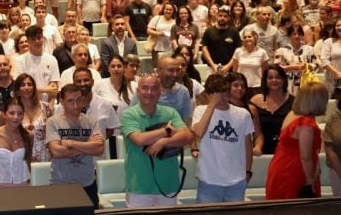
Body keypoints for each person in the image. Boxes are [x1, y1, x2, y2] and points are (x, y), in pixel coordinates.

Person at [121, 74, 195, 207]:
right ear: (138, 92)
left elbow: (188, 136)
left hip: (168, 185)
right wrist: (167, 131)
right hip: (139, 187)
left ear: (160, 92)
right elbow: (139, 139)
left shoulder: (170, 113)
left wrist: (163, 142)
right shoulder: (129, 114)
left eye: (154, 88)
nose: (149, 92)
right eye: (145, 88)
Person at [191, 75, 254, 203]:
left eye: (225, 95)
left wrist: (247, 172)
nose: (223, 99)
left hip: (236, 181)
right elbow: (199, 132)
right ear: (209, 95)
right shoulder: (200, 110)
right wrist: (212, 104)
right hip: (209, 180)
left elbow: (248, 145)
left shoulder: (243, 114)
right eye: (218, 96)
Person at [46, 84, 106, 207]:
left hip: (88, 184)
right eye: (70, 101)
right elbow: (56, 152)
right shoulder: (53, 122)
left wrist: (71, 144)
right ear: (62, 102)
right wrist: (88, 145)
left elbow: (99, 149)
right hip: (61, 184)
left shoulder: (91, 121)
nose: (75, 105)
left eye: (79, 100)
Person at [266, 81, 326, 200]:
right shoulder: (306, 123)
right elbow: (305, 157)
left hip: (280, 166)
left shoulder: (292, 114)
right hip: (294, 171)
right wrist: (310, 181)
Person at [250, 65, 293, 156]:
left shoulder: (294, 102)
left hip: (286, 151)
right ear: (265, 81)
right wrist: (257, 147)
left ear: (284, 80)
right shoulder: (254, 101)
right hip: (259, 151)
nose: (274, 80)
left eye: (278, 77)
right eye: (270, 78)